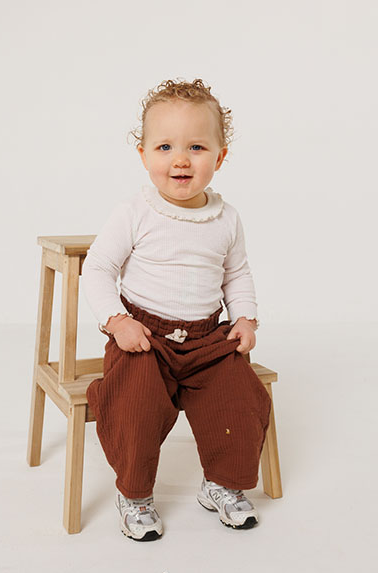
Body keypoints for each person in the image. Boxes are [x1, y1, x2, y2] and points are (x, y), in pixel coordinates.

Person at [82, 77, 272, 542]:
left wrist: (244, 317)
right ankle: (134, 493)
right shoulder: (135, 212)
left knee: (240, 398)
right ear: (144, 155)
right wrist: (118, 321)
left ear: (219, 158)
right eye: (165, 147)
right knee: (135, 403)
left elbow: (236, 274)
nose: (180, 159)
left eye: (196, 147)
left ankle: (221, 484)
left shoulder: (226, 218)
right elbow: (99, 268)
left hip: (208, 338)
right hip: (145, 338)